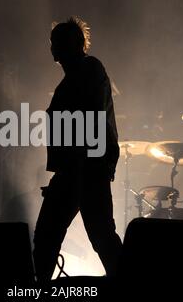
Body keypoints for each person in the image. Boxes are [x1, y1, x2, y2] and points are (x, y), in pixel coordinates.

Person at [33, 17, 122, 282]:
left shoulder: (89, 69)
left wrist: (73, 175)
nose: (52, 47)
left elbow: (89, 121)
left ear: (72, 44)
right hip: (77, 172)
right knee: (90, 234)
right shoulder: (77, 77)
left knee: (97, 235)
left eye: (56, 41)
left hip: (85, 170)